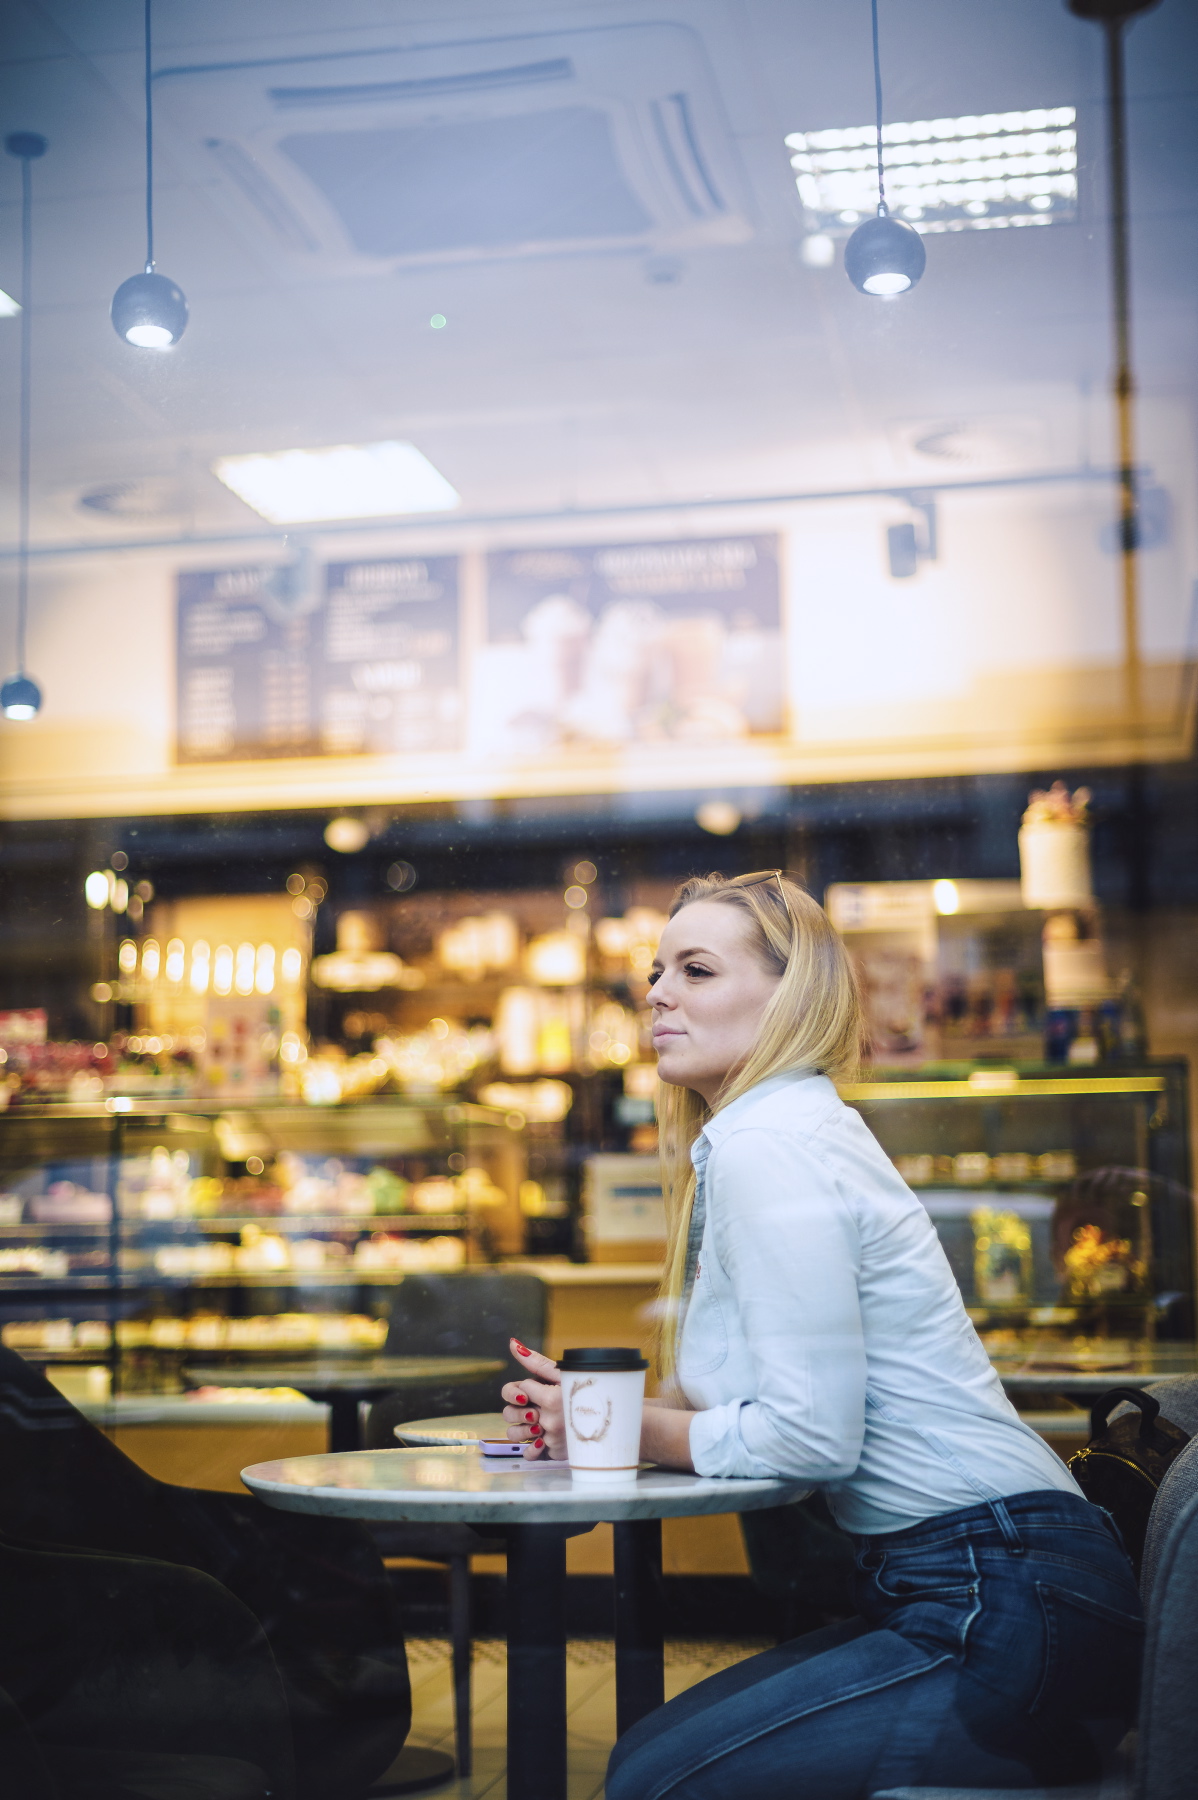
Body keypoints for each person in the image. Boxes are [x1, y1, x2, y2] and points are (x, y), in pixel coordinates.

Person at [501, 870, 1143, 1798]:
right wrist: (589, 1409)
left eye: (697, 970)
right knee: (646, 1759)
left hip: (1003, 1595)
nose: (657, 993)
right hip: (1002, 1584)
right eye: (657, 970)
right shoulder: (766, 1136)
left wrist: (623, 1428)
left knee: (653, 1781)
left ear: (787, 994)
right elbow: (761, 1398)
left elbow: (810, 1438)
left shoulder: (772, 1147)